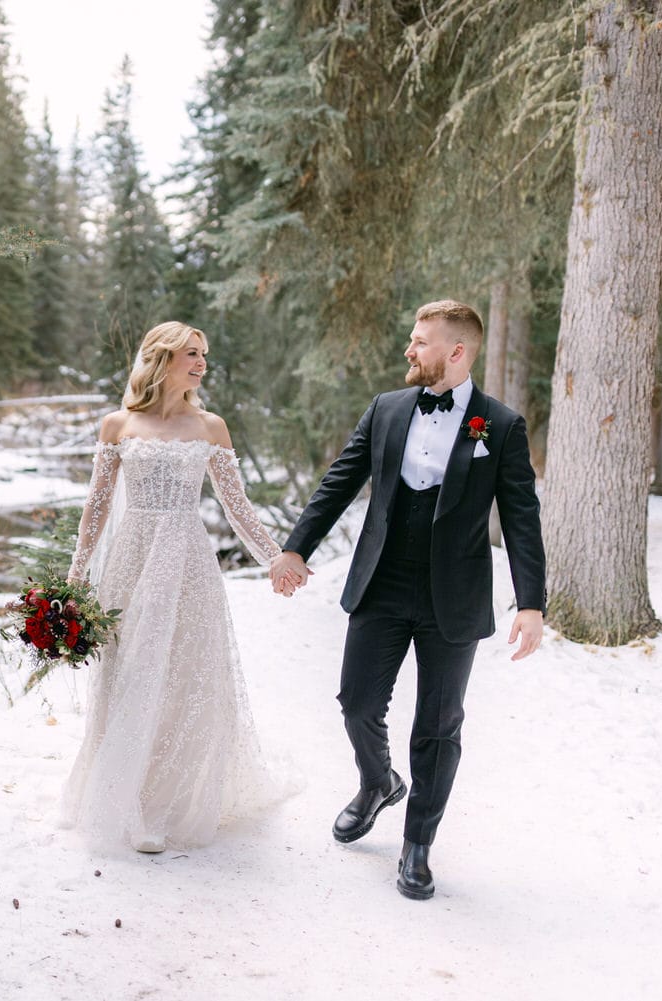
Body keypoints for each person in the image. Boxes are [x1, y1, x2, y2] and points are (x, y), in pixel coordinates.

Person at [269, 299, 546, 900]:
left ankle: (417, 845)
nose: (408, 350)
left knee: (439, 727)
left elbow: (522, 517)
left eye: (420, 342)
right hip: (383, 582)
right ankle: (376, 782)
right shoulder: (387, 409)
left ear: (456, 351)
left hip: (455, 593)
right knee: (357, 702)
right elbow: (340, 480)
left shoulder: (498, 425)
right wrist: (296, 548)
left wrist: (531, 602)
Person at [62, 321, 297, 853]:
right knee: (129, 673)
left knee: (181, 675)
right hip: (132, 559)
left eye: (204, 355)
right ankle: (126, 797)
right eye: (192, 353)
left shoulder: (211, 426)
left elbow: (237, 507)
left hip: (188, 561)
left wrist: (275, 559)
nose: (202, 363)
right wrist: (74, 579)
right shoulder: (117, 424)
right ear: (162, 358)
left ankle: (164, 804)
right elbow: (95, 510)